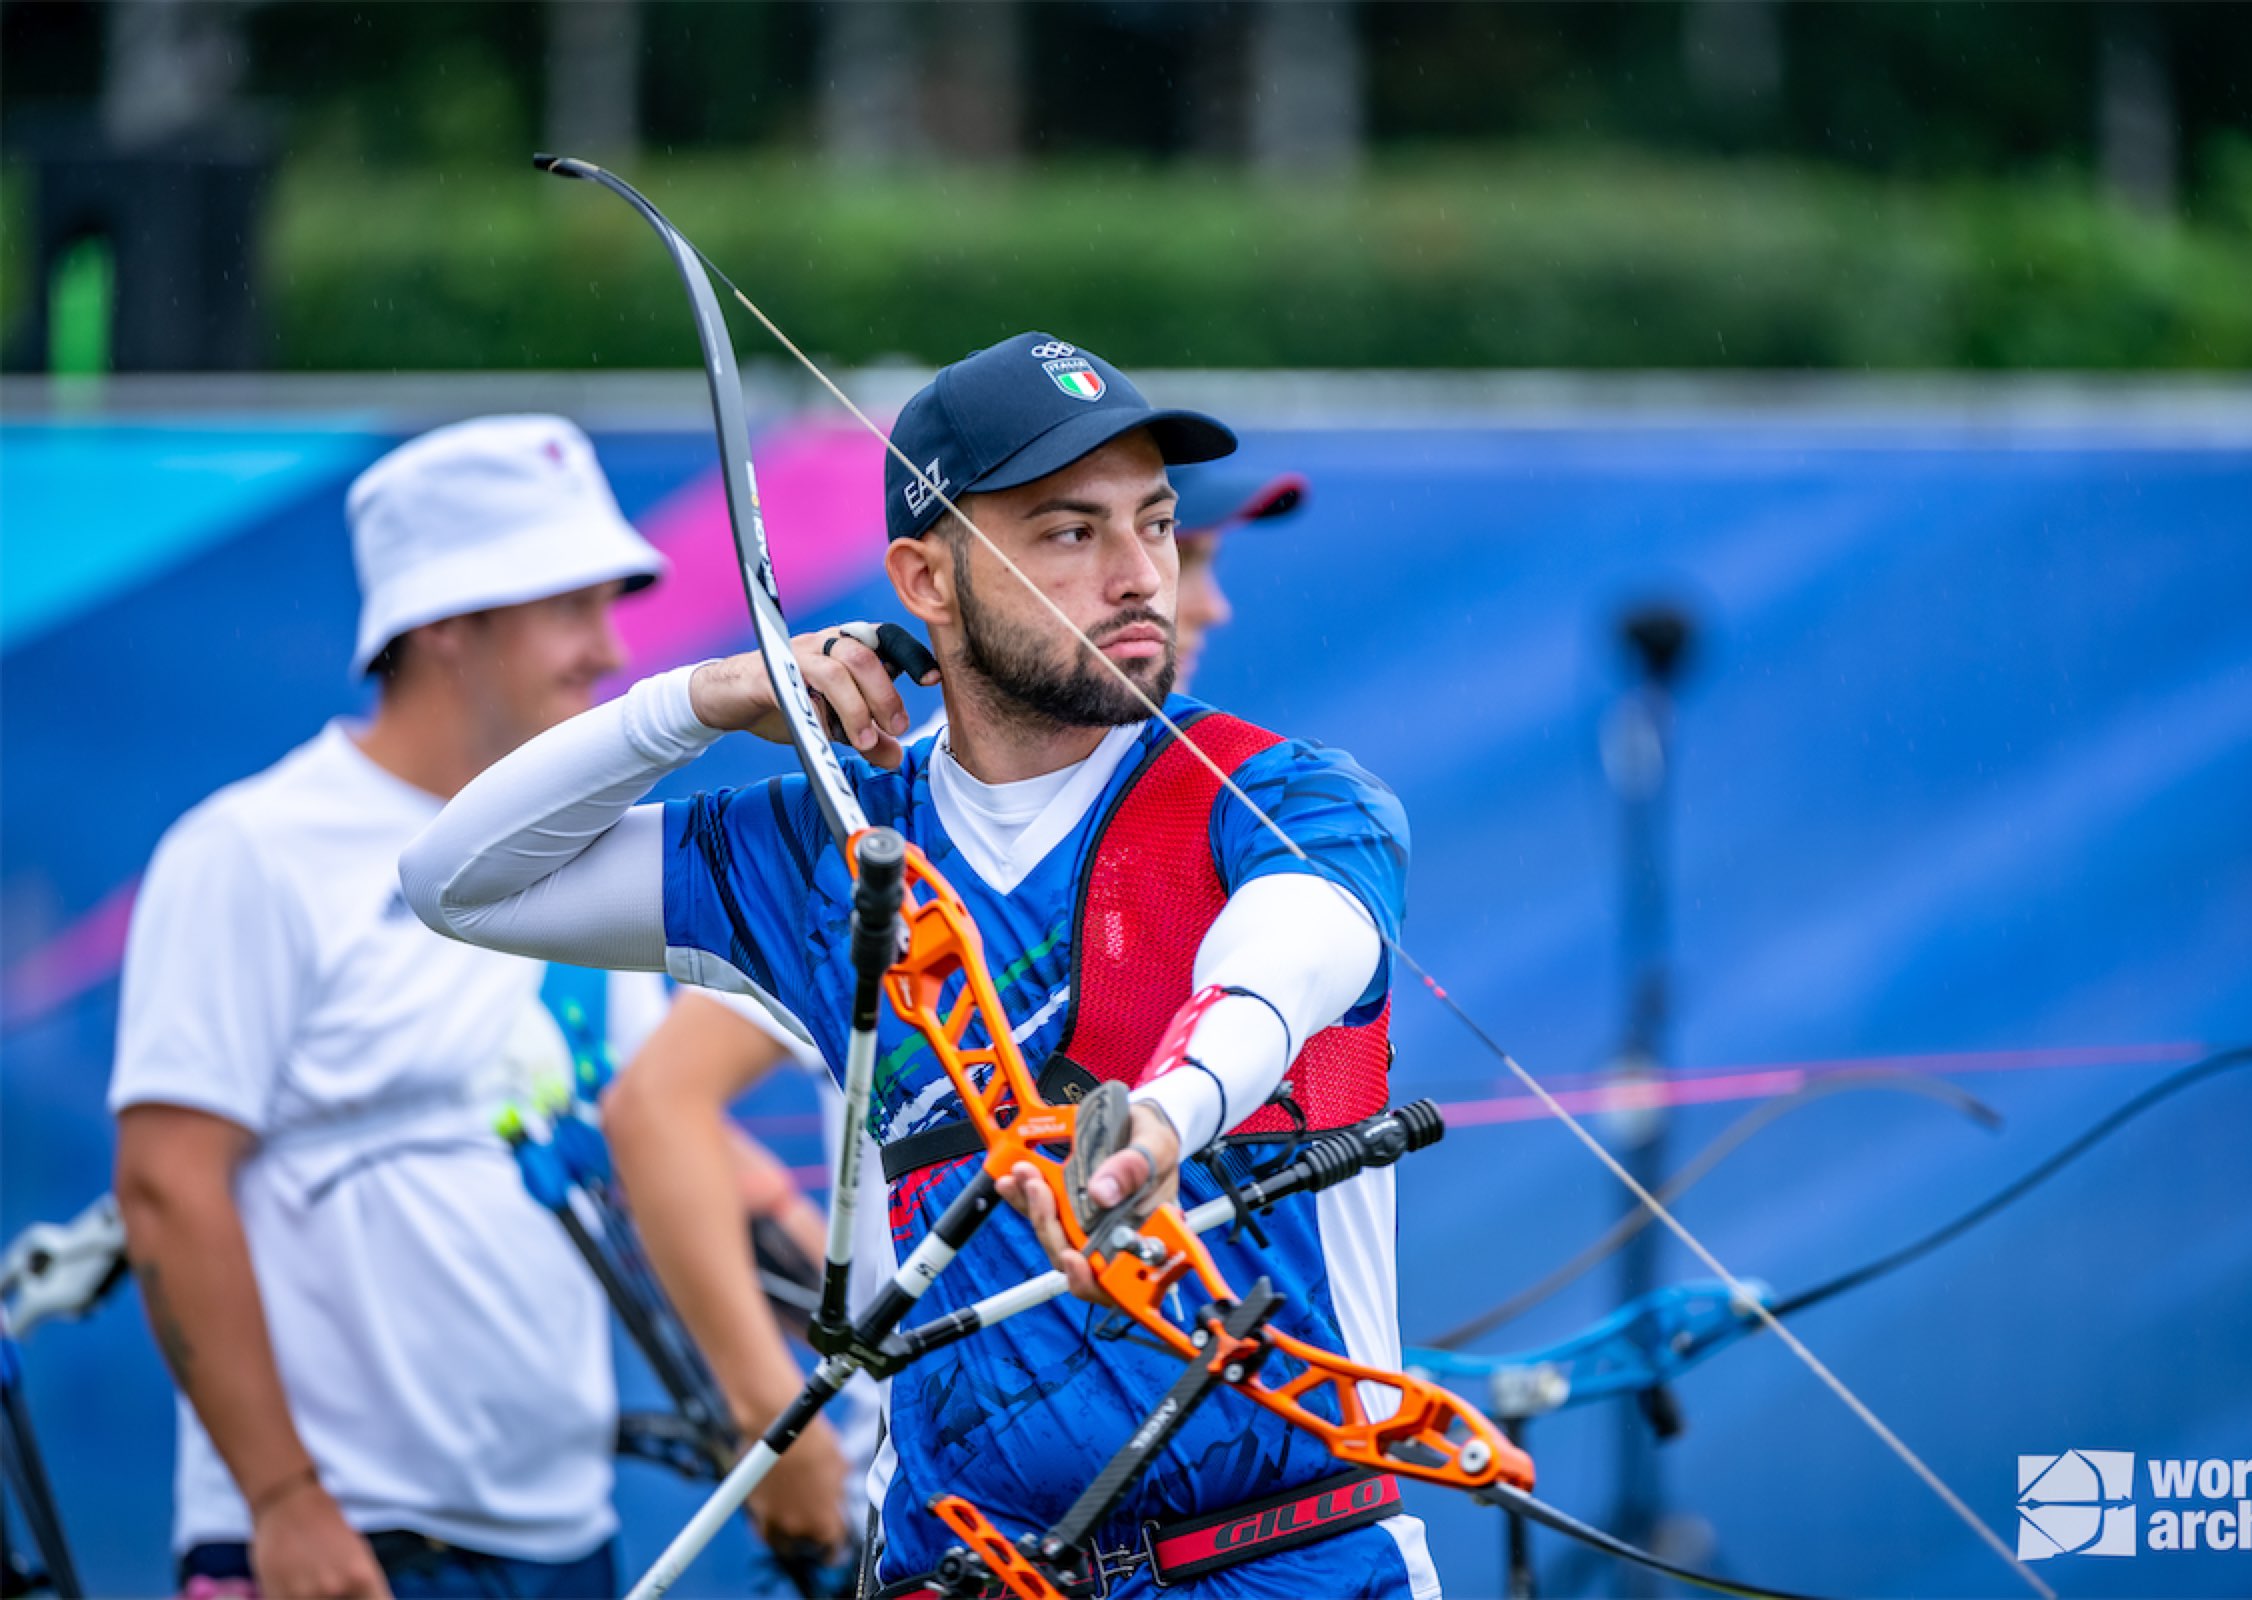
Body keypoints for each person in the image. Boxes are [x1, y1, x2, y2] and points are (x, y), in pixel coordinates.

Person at [402, 335, 1438, 1598]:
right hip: (963, 1570)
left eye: (1156, 526)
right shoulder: (837, 842)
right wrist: (711, 697)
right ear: (924, 581)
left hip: (1294, 1562)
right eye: (1069, 533)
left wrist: (1163, 1118)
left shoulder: (1280, 795)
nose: (1139, 577)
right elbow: (457, 879)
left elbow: (1294, 950)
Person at [597, 459, 1312, 1555]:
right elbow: (658, 1102)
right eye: (1193, 555)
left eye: (1173, 539)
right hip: (984, 1496)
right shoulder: (910, 849)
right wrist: (770, 1414)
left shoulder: (1240, 806)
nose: (1187, 596)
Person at [110, 416, 671, 1600]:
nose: (609, 650)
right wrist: (282, 1499)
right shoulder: (247, 851)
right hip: (335, 1548)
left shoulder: (591, 861)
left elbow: (648, 1137)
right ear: (448, 620)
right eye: (570, 607)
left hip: (564, 1538)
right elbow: (167, 1183)